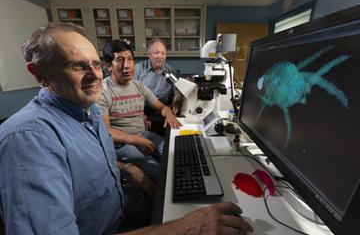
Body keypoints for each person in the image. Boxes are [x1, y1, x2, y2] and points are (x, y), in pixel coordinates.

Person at [0, 22, 253, 235]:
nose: (94, 75)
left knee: (193, 194)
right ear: (39, 73)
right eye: (77, 66)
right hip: (106, 226)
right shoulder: (28, 139)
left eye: (95, 64)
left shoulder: (87, 111)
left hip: (122, 202)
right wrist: (186, 228)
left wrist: (127, 169)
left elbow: (82, 167)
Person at [97, 39, 181, 183]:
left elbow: (161, 107)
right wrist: (135, 140)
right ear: (108, 66)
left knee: (176, 155)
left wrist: (170, 115)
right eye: (120, 60)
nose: (127, 65)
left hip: (143, 134)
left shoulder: (138, 86)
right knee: (160, 172)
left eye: (130, 59)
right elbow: (106, 131)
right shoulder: (102, 91)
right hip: (122, 144)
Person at [134, 38, 183, 136]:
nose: (160, 57)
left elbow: (178, 92)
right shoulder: (138, 69)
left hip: (164, 113)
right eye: (156, 53)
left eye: (163, 53)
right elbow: (132, 95)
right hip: (142, 112)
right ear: (149, 54)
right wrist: (140, 116)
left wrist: (177, 103)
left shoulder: (171, 72)